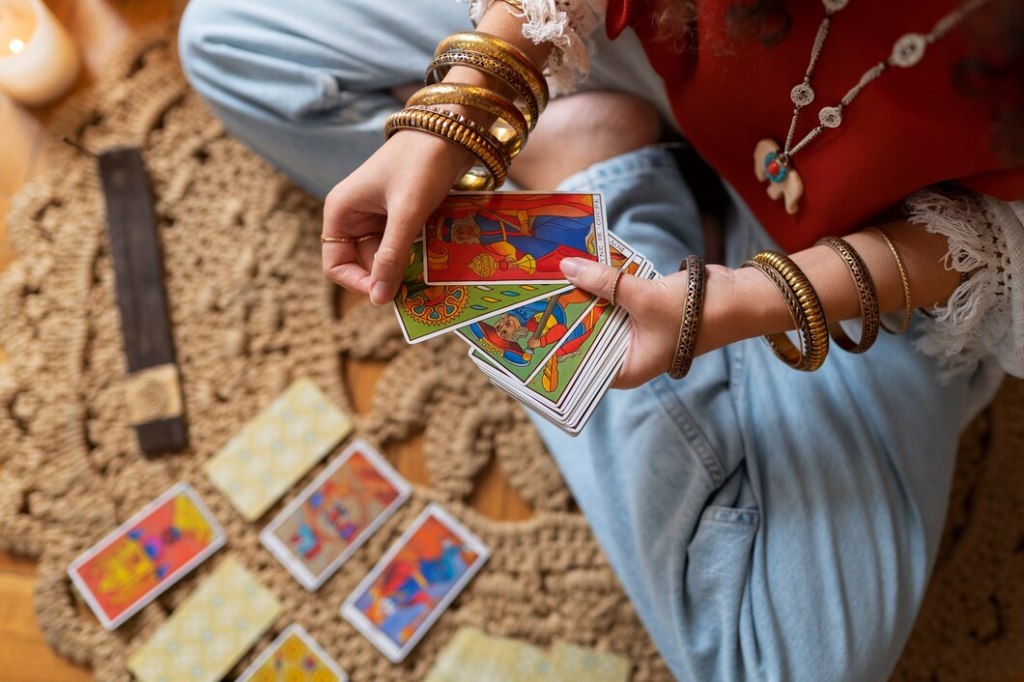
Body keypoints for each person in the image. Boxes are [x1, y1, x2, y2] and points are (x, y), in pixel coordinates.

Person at [177, 0, 1024, 679]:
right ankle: (615, 177)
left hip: (904, 240)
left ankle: (593, 170)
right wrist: (467, 105)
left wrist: (736, 303)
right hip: (651, 47)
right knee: (229, 39)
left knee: (783, 663)